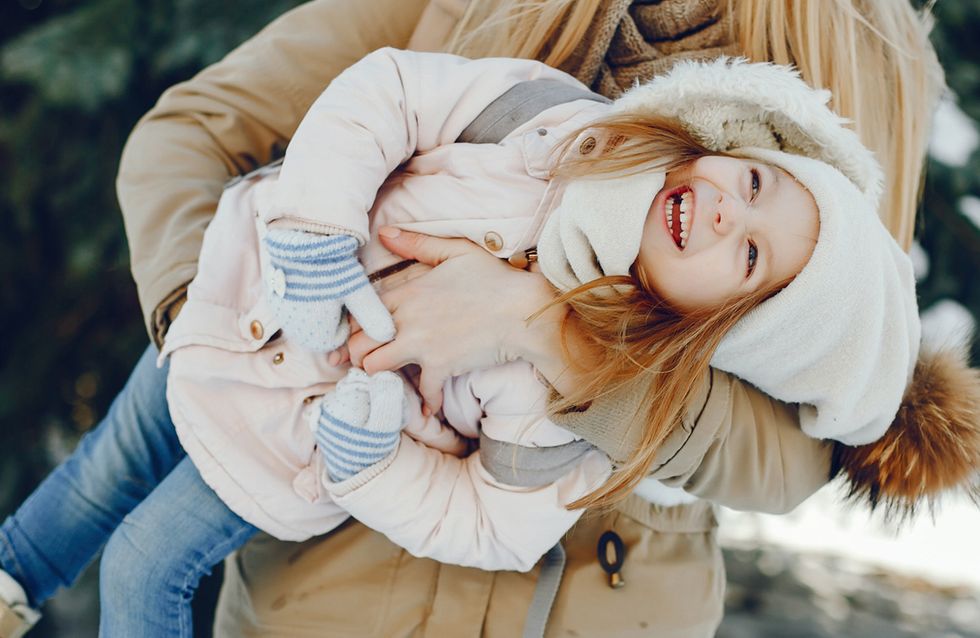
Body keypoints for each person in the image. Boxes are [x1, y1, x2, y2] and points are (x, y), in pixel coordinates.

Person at [0, 1, 958, 637]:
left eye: (749, 246)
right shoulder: (537, 100)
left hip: (598, 594)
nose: (724, 212)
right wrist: (235, 321)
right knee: (115, 507)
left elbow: (809, 439)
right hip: (342, 582)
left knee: (140, 563)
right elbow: (197, 131)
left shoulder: (850, 62)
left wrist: (552, 336)